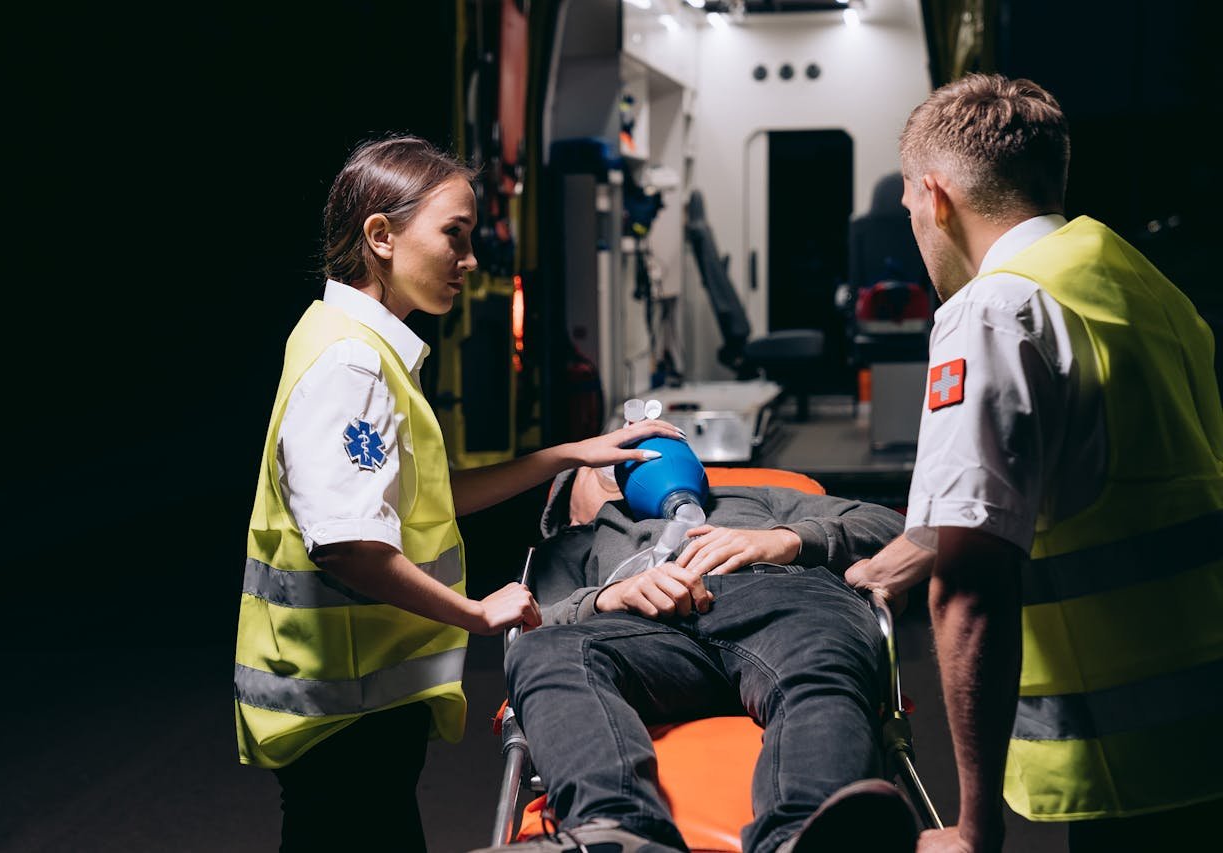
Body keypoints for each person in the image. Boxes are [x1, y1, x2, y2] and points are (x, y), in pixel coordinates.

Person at [232, 135, 684, 852]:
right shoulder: (352, 364)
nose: (470, 263)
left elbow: (426, 499)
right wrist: (474, 612)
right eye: (455, 236)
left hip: (360, 705)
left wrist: (570, 453)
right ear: (380, 235)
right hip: (343, 708)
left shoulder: (350, 339)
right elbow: (350, 545)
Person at [843, 73, 1223, 852]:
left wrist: (973, 827)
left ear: (937, 196)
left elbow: (972, 591)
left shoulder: (994, 309)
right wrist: (900, 558)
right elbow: (1096, 483)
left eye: (914, 210)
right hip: (1204, 727)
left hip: (1121, 751)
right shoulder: (1139, 284)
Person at [471, 464, 921, 853]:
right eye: (601, 469)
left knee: (822, 663)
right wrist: (607, 597)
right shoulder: (575, 543)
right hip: (649, 635)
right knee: (543, 651)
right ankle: (615, 830)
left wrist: (786, 540)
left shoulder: (751, 498)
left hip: (786, 599)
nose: (626, 467)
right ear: (567, 504)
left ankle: (803, 832)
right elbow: (532, 621)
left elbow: (899, 529)